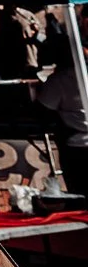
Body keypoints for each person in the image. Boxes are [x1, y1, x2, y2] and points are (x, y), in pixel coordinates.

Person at [32, 23, 88, 195]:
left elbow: (41, 110)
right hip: (78, 143)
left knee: (80, 193)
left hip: (77, 146)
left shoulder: (59, 80)